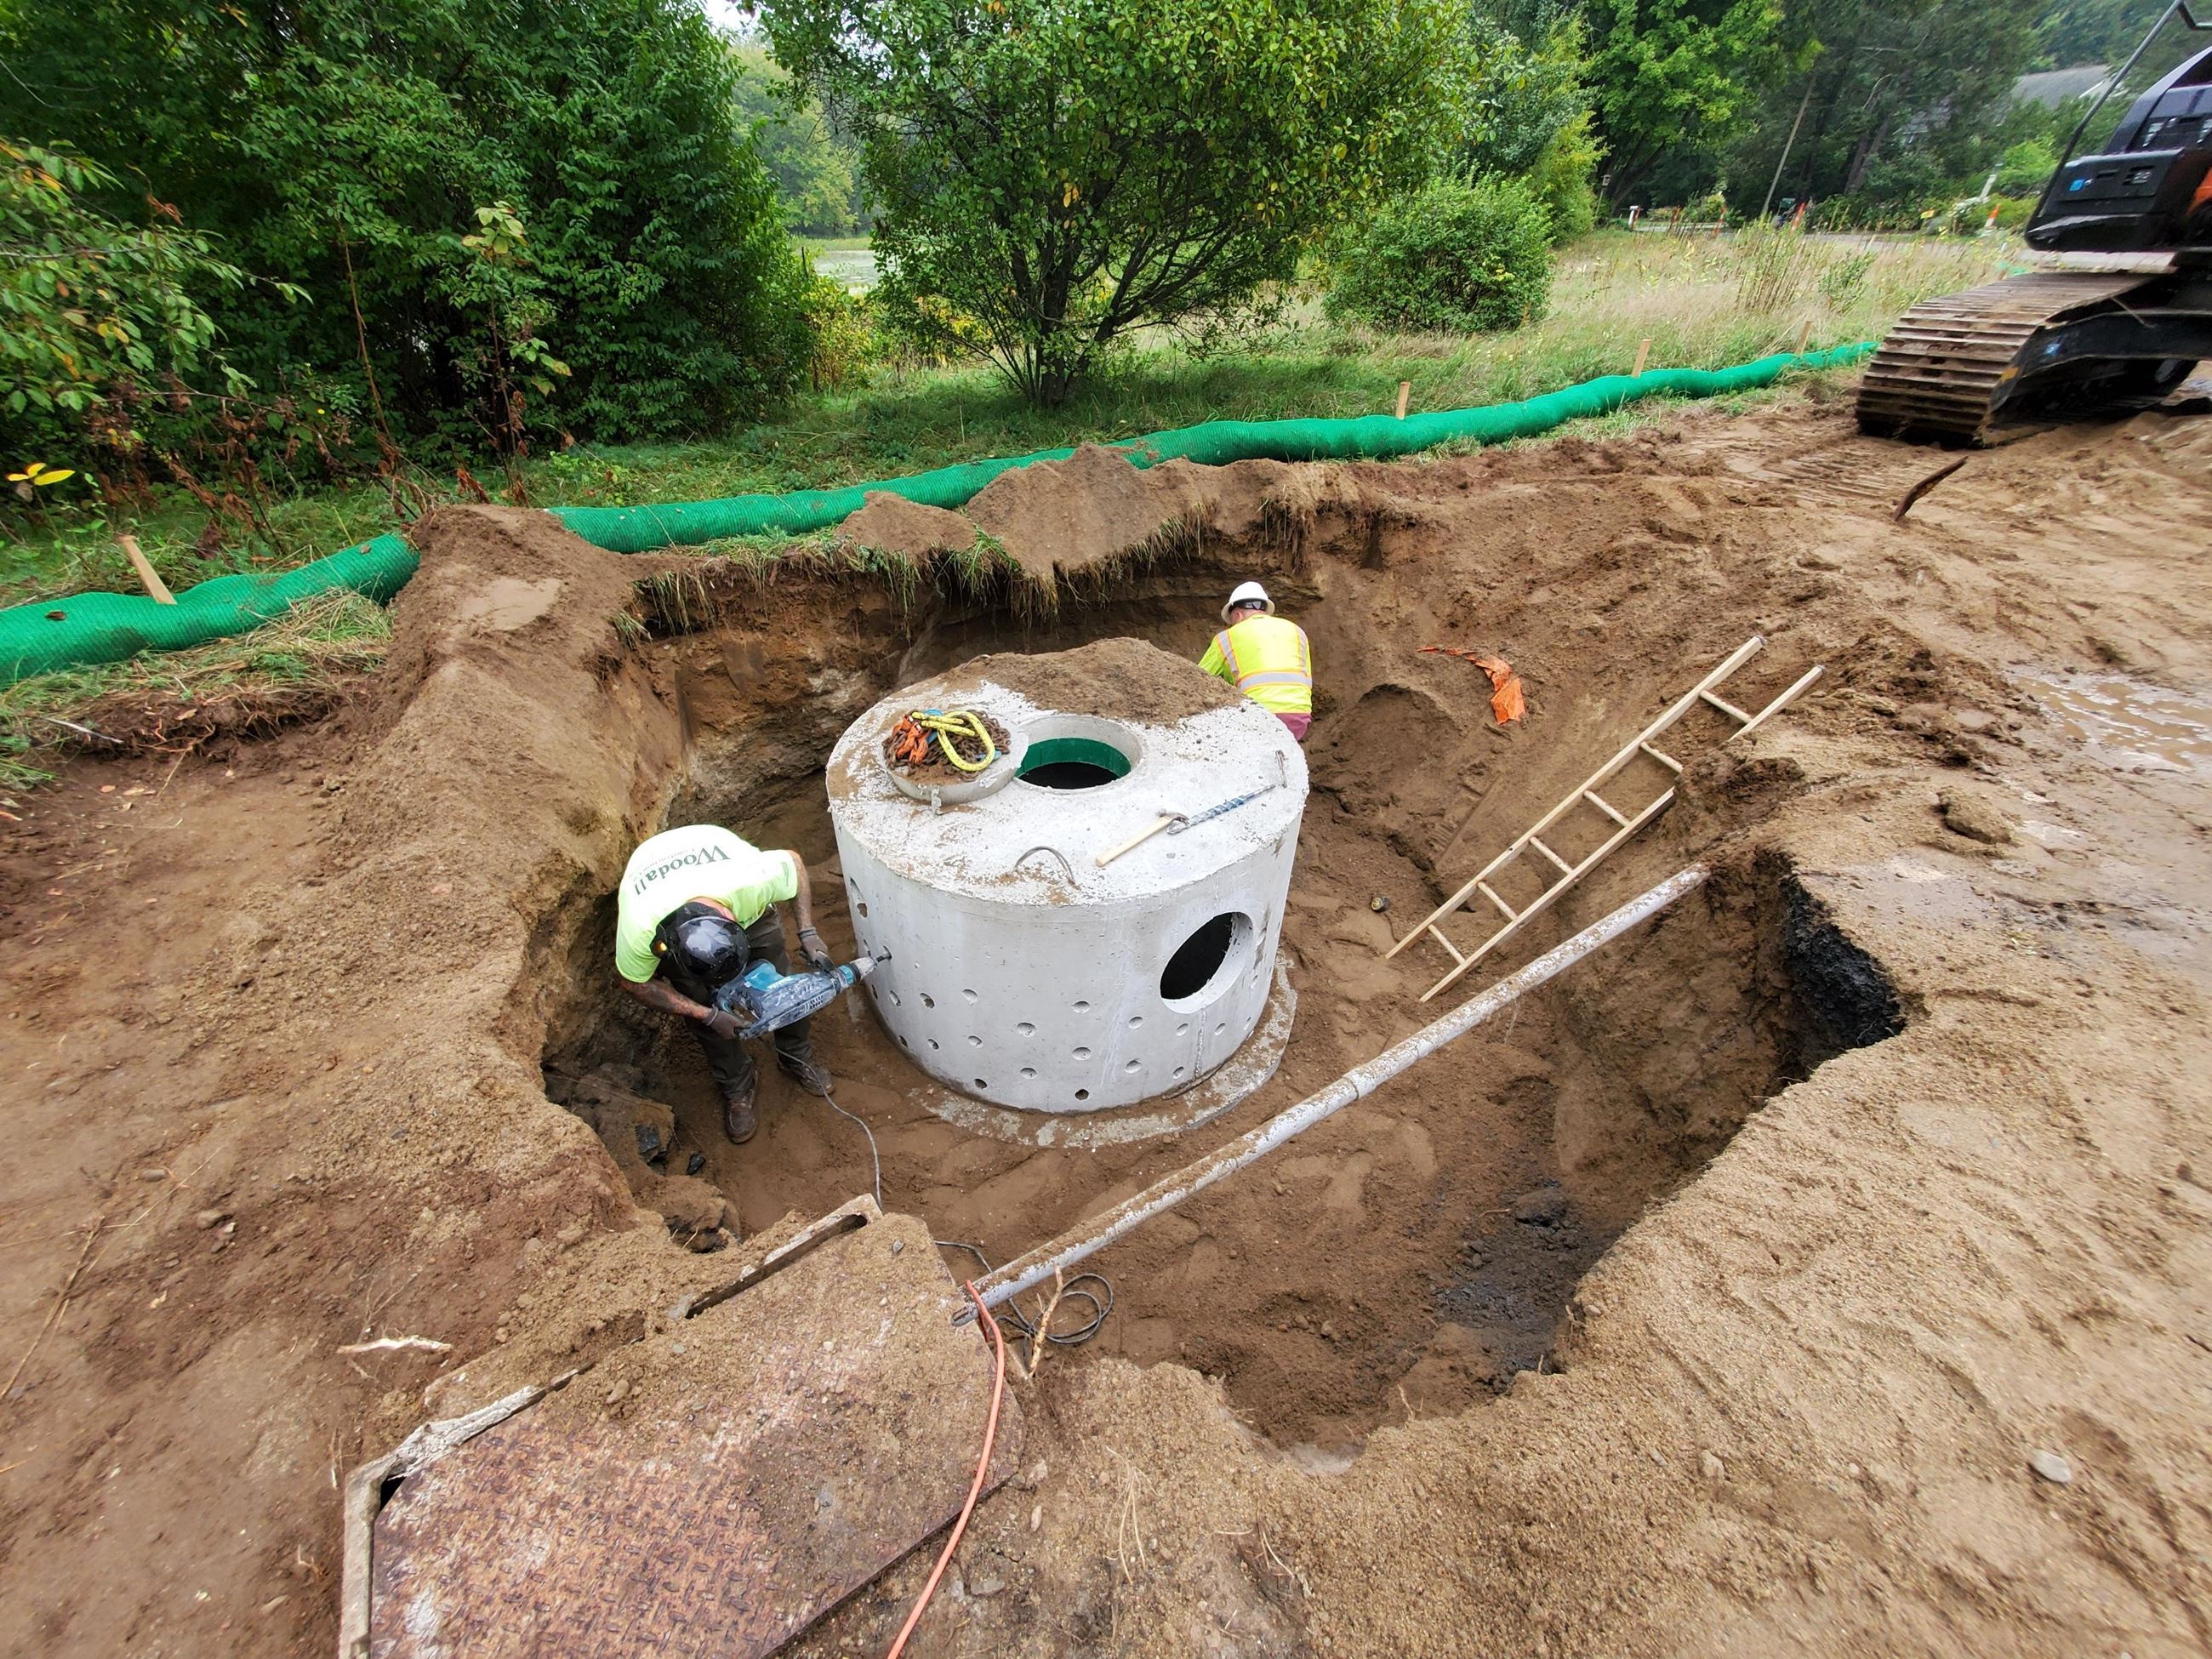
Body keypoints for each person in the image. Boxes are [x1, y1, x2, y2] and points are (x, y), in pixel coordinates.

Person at [613, 823, 835, 1144]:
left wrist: (808, 933)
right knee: (702, 1008)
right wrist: (707, 1014)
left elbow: (794, 862)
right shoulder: (642, 930)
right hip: (661, 894)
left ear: (733, 920)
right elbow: (634, 983)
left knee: (784, 987)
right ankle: (738, 1085)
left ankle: (795, 1056)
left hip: (734, 894)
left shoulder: (751, 882)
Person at [1198, 580, 1314, 742]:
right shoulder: (1297, 631)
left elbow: (1196, 679)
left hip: (1258, 717)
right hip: (1298, 716)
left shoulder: (1226, 638)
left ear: (1238, 615)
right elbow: (1307, 678)